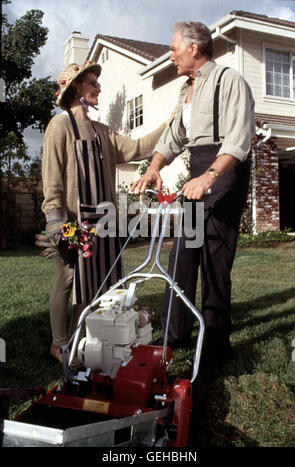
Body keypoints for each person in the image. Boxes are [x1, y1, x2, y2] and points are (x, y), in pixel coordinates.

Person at [132, 21, 255, 370]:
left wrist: (210, 176)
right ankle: (174, 337)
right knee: (182, 256)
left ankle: (216, 348)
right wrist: (154, 166)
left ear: (194, 48)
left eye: (174, 48)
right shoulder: (185, 89)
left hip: (225, 168)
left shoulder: (229, 81)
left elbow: (239, 139)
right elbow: (172, 137)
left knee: (215, 261)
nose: (170, 55)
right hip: (198, 165)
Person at [41, 60, 166, 363]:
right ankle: (59, 343)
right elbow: (52, 178)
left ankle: (90, 334)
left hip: (105, 221)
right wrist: (56, 223)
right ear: (76, 88)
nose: (99, 87)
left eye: (97, 82)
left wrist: (172, 123)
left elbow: (137, 148)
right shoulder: (60, 125)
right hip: (74, 224)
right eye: (93, 83)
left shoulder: (102, 131)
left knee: (102, 282)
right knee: (69, 279)